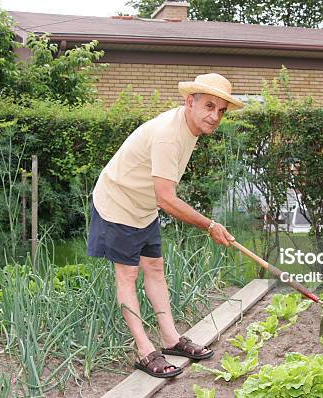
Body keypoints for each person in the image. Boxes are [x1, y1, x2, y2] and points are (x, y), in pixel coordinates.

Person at [87, 73, 243, 378]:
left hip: (143, 207)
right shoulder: (168, 135)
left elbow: (159, 196)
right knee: (128, 275)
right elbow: (167, 199)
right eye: (209, 106)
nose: (215, 116)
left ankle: (170, 339)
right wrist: (210, 225)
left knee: (155, 268)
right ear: (190, 102)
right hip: (118, 203)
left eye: (221, 111)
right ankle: (144, 350)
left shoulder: (190, 130)